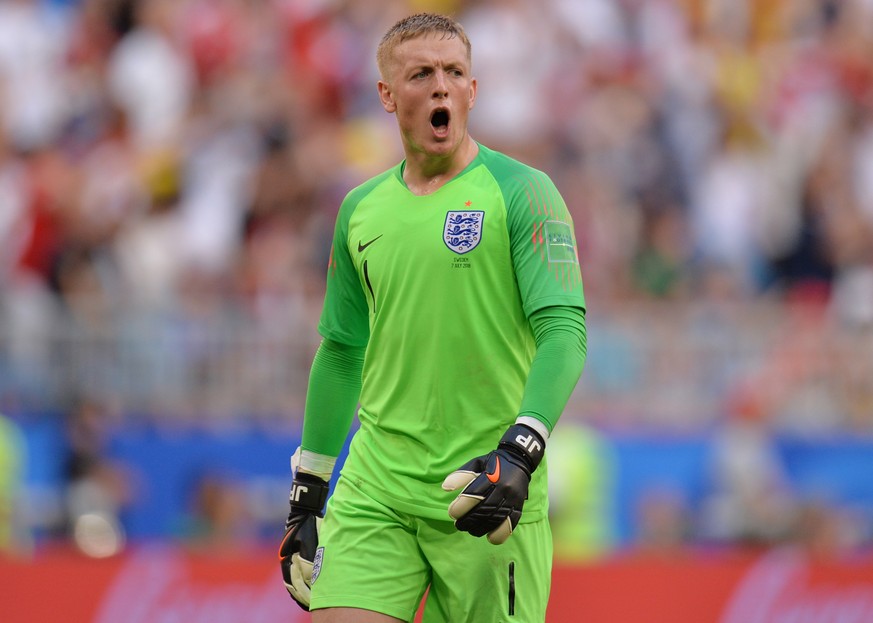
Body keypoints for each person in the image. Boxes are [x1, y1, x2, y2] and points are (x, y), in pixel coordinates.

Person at [279, 12, 587, 623]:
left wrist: (521, 451)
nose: (441, 86)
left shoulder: (524, 192)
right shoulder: (360, 210)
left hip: (483, 487)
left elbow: (564, 330)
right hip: (377, 486)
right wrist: (308, 490)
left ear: (473, 90)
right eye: (421, 74)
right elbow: (342, 350)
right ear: (388, 97)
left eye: (455, 73)